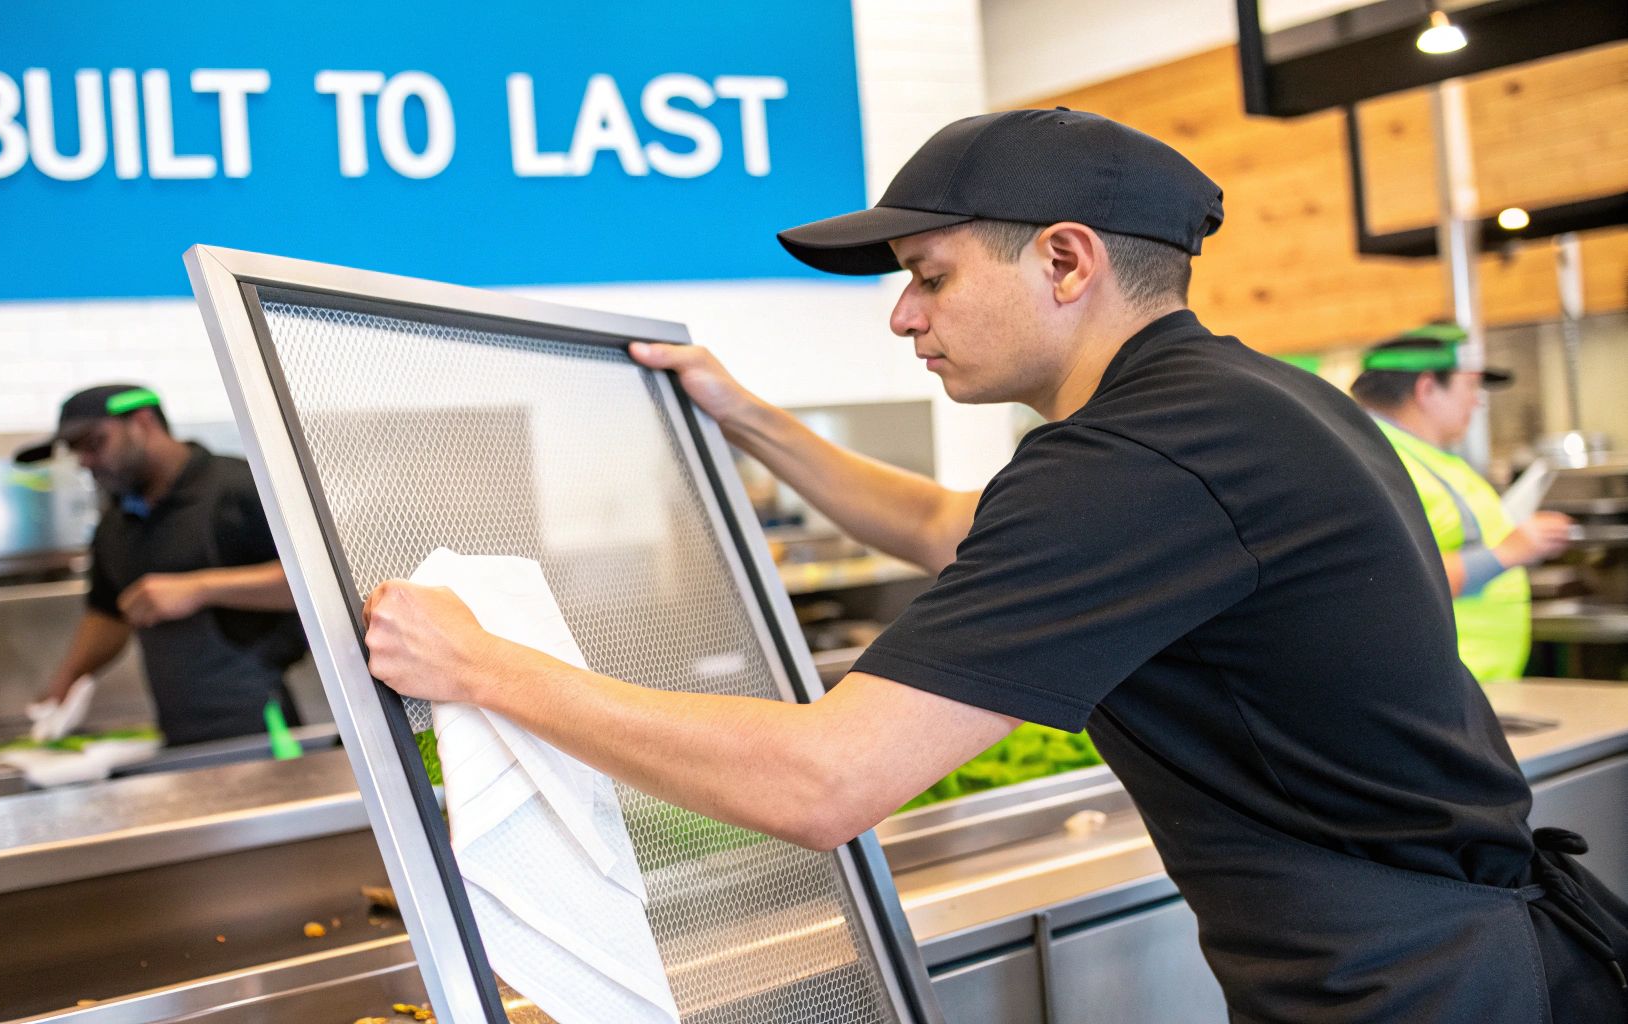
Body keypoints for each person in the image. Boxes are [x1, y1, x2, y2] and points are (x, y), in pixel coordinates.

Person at [360, 110, 1628, 1020]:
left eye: (926, 276)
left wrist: (482, 665)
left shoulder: (1135, 457)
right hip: (1463, 951)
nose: (902, 315)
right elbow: (943, 526)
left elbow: (825, 782)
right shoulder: (1249, 400)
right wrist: (746, 418)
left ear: (1065, 259)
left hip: (1414, 988)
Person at [18, 384, 307, 746]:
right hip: (179, 730)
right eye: (76, 451)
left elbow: (312, 585)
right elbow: (108, 615)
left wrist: (199, 589)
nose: (85, 461)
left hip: (266, 725)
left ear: (143, 422)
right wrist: (66, 681)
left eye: (93, 443)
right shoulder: (116, 523)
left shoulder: (240, 488)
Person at [1353, 326, 1573, 682]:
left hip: (1480, 684)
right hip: (1444, 689)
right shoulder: (1382, 462)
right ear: (1426, 389)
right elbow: (1399, 580)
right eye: (1469, 385)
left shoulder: (1432, 457)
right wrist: (1512, 551)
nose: (1478, 400)